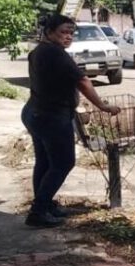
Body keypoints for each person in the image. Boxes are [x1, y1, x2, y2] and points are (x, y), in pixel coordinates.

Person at [22, 14, 120, 228]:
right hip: (51, 116)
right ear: (49, 32)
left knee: (45, 161)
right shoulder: (55, 53)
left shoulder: (38, 51)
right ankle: (38, 211)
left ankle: (45, 203)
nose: (68, 37)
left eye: (71, 33)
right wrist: (103, 106)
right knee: (64, 162)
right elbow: (83, 81)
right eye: (63, 32)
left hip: (35, 112)